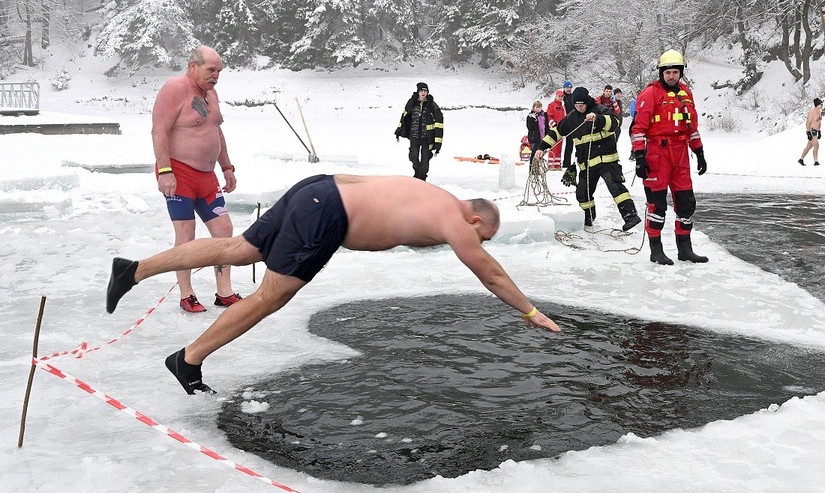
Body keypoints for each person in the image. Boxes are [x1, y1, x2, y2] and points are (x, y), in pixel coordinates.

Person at [106, 175, 561, 394]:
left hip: (318, 189)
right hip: (328, 213)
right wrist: (530, 311)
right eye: (482, 235)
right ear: (476, 218)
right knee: (269, 297)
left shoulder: (436, 196)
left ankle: (134, 269)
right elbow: (489, 272)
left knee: (237, 249)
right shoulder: (454, 217)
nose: (475, 242)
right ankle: (187, 359)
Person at [151, 45, 241, 314]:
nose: (216, 76)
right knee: (186, 234)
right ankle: (186, 293)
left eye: (219, 71)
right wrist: (165, 172)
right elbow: (159, 132)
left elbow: (216, 132)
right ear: (193, 66)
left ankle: (224, 292)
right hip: (179, 173)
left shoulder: (211, 94)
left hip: (207, 175)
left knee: (224, 231)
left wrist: (227, 167)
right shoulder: (174, 88)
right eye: (211, 70)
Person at [630, 49, 708, 266]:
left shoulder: (685, 93)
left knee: (686, 202)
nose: (672, 76)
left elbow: (691, 127)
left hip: (680, 153)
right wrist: (639, 156)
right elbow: (638, 128)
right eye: (668, 72)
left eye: (675, 72)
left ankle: (685, 249)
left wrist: (699, 152)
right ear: (661, 73)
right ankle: (656, 250)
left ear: (680, 73)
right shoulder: (650, 94)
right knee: (657, 205)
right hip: (657, 153)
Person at [534, 87, 640, 231]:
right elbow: (557, 132)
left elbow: (615, 123)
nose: (579, 108)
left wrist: (598, 119)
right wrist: (542, 147)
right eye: (576, 106)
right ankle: (588, 217)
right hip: (586, 164)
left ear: (587, 102)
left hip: (606, 160)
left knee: (615, 186)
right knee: (582, 193)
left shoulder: (599, 109)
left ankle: (630, 215)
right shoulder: (572, 117)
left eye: (582, 105)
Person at [396, 82, 444, 181]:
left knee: (425, 161)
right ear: (418, 92)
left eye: (425, 91)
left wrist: (437, 144)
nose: (423, 93)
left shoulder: (432, 105)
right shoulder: (412, 103)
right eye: (421, 91)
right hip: (414, 136)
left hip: (427, 138)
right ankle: (417, 173)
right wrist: (399, 130)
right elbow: (404, 116)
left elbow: (439, 124)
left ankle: (422, 177)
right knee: (413, 157)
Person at [800, 98, 822, 165]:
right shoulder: (812, 112)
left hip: (816, 131)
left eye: (822, 104)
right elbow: (808, 122)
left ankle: (801, 159)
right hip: (811, 130)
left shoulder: (819, 112)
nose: (822, 105)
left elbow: (818, 122)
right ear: (817, 104)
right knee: (816, 145)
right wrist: (808, 132)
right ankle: (816, 161)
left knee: (809, 146)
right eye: (820, 104)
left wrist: (819, 131)